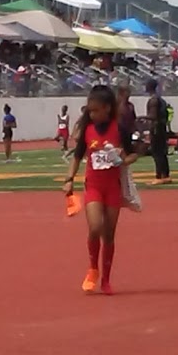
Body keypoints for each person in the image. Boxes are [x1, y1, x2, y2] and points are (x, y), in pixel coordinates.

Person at [63, 86, 130, 295]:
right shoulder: (88, 130)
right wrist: (69, 180)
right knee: (95, 227)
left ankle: (106, 280)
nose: (91, 115)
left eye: (95, 111)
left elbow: (134, 153)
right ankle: (93, 268)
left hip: (112, 187)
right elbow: (77, 156)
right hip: (93, 185)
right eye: (89, 111)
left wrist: (123, 159)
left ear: (107, 109)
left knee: (109, 235)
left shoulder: (119, 129)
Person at [145, 80, 171, 183]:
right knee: (162, 152)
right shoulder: (161, 100)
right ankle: (166, 175)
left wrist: (141, 117)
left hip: (156, 128)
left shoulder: (153, 100)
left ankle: (159, 176)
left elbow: (153, 116)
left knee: (156, 152)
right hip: (162, 127)